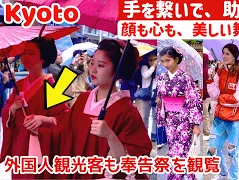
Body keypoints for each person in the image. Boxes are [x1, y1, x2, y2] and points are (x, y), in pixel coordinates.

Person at [53, 39, 152, 179]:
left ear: (117, 70)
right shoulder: (83, 99)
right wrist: (42, 123)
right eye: (92, 63)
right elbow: (64, 133)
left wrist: (110, 136)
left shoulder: (127, 111)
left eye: (101, 65)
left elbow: (135, 160)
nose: (93, 69)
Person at [0, 37, 70, 179]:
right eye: (24, 53)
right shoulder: (19, 85)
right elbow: (6, 108)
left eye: (31, 53)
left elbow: (64, 119)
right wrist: (13, 108)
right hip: (19, 144)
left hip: (39, 146)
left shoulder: (52, 86)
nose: (24, 57)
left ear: (43, 58)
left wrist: (43, 119)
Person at [157, 46, 202, 179]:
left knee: (181, 150)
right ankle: (184, 175)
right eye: (163, 61)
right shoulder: (161, 78)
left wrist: (195, 125)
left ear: (176, 59)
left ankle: (177, 176)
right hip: (170, 119)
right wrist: (159, 100)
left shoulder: (186, 78)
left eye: (168, 60)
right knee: (173, 149)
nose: (165, 64)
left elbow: (193, 100)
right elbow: (160, 96)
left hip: (184, 120)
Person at [207, 43, 239, 179]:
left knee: (233, 151)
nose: (224, 56)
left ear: (234, 56)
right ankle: (222, 172)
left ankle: (234, 177)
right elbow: (213, 94)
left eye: (227, 53)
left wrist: (221, 98)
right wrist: (210, 78)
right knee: (212, 149)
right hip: (219, 117)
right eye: (223, 53)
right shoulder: (220, 71)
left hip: (236, 119)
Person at [135, 53, 157, 140]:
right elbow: (146, 75)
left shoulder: (159, 69)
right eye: (150, 60)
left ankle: (154, 135)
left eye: (154, 59)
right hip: (146, 95)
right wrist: (153, 67)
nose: (152, 62)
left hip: (155, 95)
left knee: (155, 116)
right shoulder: (145, 67)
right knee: (145, 116)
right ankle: (144, 134)